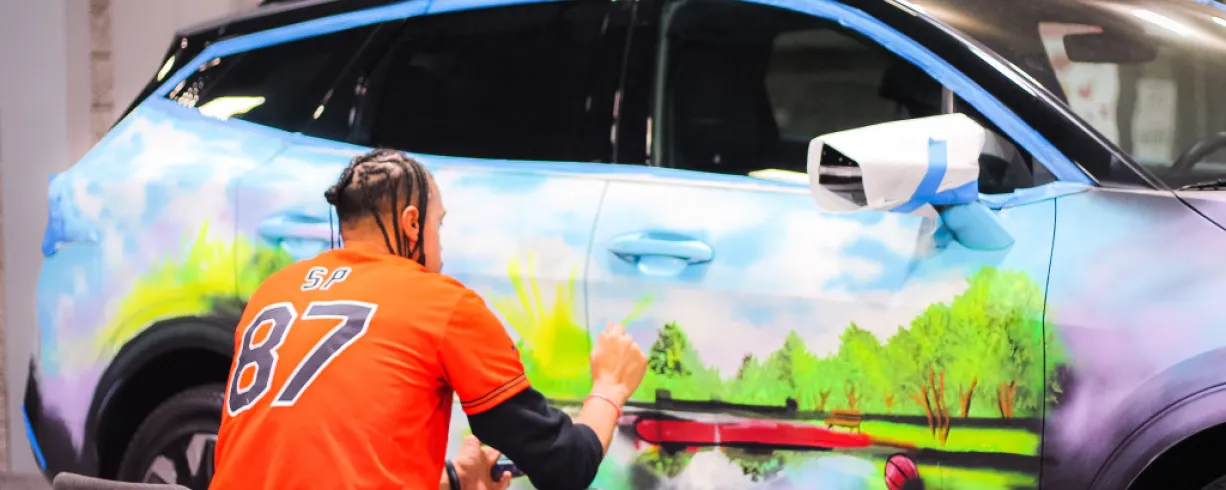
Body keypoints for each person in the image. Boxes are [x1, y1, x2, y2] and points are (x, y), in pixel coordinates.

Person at [209, 148, 648, 490]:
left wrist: (454, 479)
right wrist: (610, 387)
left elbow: (312, 458)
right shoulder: (441, 303)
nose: (441, 249)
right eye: (439, 226)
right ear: (412, 223)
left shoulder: (272, 292)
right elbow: (566, 465)